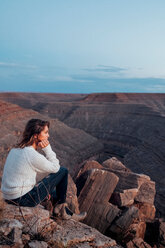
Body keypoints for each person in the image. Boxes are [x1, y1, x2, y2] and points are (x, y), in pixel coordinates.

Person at [1, 118, 87, 221]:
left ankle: (63, 210)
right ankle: (61, 211)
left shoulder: (14, 150)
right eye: (46, 132)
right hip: (23, 200)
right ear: (36, 135)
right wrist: (47, 149)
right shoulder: (31, 155)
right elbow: (56, 168)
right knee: (63, 171)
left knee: (55, 193)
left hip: (8, 198)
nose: (48, 136)